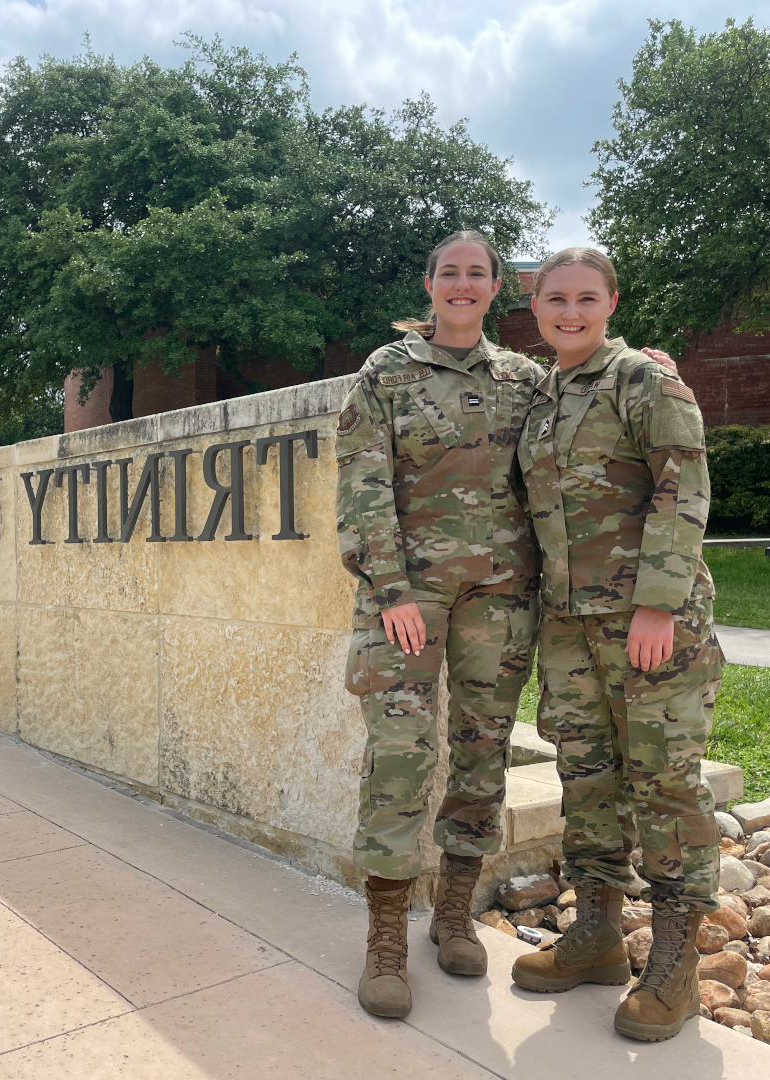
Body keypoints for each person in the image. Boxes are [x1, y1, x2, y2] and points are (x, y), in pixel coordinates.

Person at [508, 247, 723, 1043]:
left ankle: (676, 967)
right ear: (534, 306)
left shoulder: (646, 380)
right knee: (587, 776)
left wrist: (660, 604)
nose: (570, 310)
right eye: (554, 298)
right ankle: (597, 934)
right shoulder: (542, 395)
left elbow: (684, 485)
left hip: (648, 623)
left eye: (585, 297)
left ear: (612, 301)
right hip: (569, 627)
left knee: (664, 783)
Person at [335, 231, 546, 1018]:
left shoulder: (525, 379)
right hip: (405, 597)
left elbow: (584, 415)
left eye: (477, 274)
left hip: (500, 594)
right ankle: (387, 932)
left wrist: (645, 361)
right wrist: (389, 588)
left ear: (497, 288)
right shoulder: (384, 374)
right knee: (399, 753)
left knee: (483, 746)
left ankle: (454, 911)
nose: (462, 285)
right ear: (429, 285)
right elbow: (362, 483)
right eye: (449, 273)